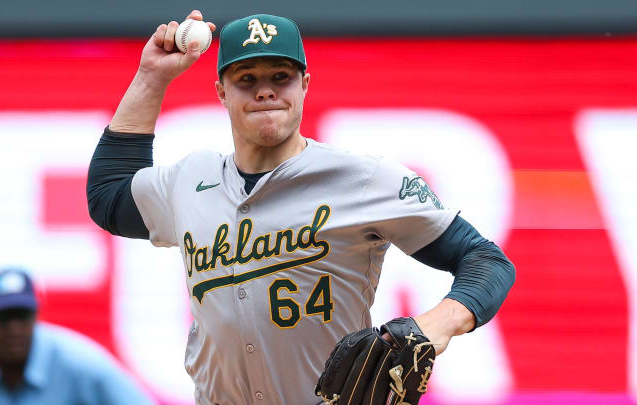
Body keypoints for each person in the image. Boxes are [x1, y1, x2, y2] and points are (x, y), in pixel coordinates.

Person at [86, 10, 516, 404]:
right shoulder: (188, 181)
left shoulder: (362, 179)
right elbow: (107, 197)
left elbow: (487, 261)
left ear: (305, 83)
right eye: (246, 79)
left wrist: (432, 327)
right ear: (221, 91)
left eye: (281, 75)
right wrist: (150, 77)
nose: (266, 90)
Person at [0, 269, 155, 405]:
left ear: (37, 315)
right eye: (4, 317)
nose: (14, 328)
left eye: (22, 316)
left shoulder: (81, 365)